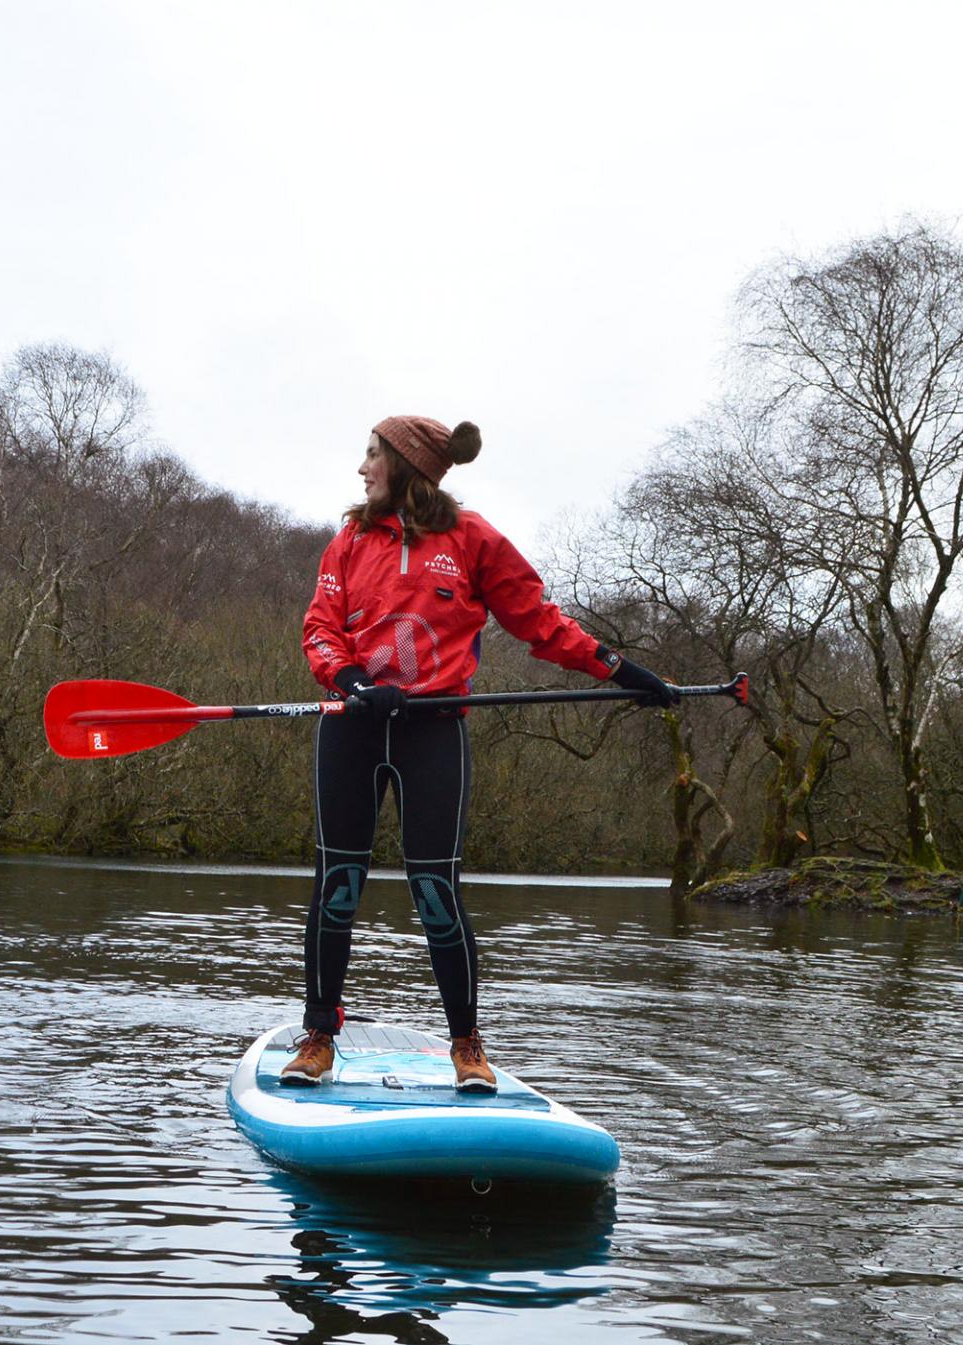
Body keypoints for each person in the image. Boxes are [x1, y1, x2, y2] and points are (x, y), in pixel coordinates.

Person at [290, 416, 678, 1091]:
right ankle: (319, 1034)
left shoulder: (474, 541)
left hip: (434, 728)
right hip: (352, 725)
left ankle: (467, 1044)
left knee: (436, 888)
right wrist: (353, 680)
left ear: (406, 466)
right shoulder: (348, 540)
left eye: (373, 455)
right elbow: (321, 627)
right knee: (338, 885)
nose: (361, 468)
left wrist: (620, 669)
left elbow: (542, 622)